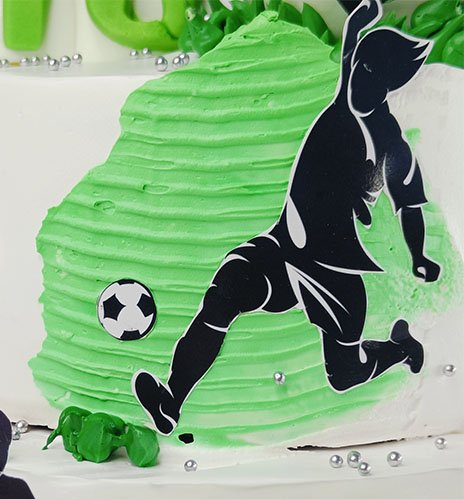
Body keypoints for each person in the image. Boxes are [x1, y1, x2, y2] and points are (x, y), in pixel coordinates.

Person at [134, 0, 441, 435]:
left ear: (391, 83)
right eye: (359, 66)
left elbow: (408, 203)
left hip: (334, 269)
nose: (359, 76)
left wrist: (420, 255)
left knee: (344, 374)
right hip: (282, 247)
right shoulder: (343, 97)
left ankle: (400, 349)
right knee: (225, 291)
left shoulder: (390, 143)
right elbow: (350, 44)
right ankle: (172, 400)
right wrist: (362, 13)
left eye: (373, 74)